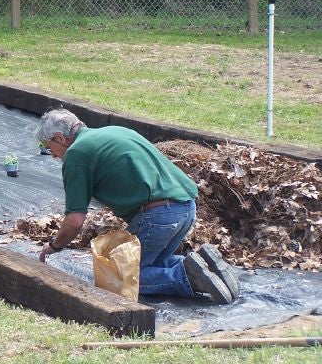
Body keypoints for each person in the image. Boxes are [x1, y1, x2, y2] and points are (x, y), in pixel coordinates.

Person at [35, 108, 239, 304]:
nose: (52, 154)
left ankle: (187, 276)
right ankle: (205, 265)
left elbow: (75, 220)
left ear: (60, 138)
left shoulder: (76, 154)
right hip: (187, 207)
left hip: (160, 215)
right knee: (151, 265)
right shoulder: (115, 130)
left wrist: (54, 246)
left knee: (121, 278)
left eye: (48, 147)